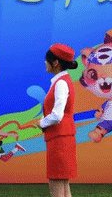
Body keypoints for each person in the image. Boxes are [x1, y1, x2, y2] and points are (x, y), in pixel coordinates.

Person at [38, 44, 78, 197]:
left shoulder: (61, 83)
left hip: (59, 138)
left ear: (55, 63)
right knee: (64, 185)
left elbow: (57, 115)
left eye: (47, 60)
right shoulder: (62, 81)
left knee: (56, 184)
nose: (45, 62)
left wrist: (42, 122)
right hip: (63, 136)